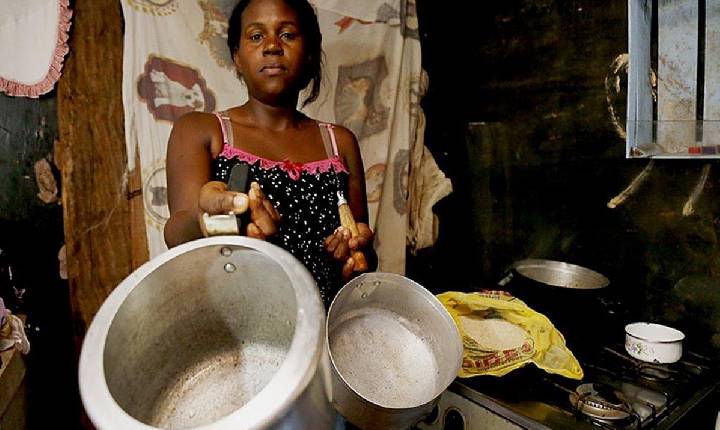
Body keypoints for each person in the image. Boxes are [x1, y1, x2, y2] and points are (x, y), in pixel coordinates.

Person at [164, 0, 375, 305]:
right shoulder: (202, 131)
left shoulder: (338, 142)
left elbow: (362, 255)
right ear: (236, 56)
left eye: (287, 35)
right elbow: (176, 233)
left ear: (310, 53)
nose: (272, 46)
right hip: (238, 327)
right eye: (256, 36)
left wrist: (354, 253)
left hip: (322, 326)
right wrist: (210, 216)